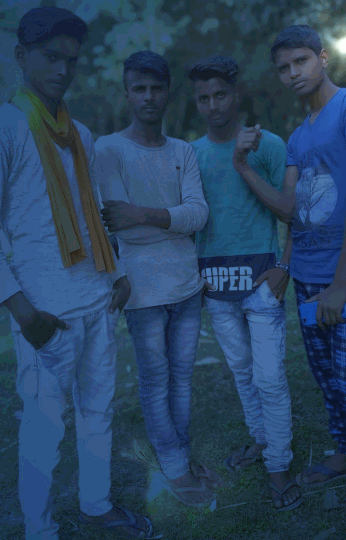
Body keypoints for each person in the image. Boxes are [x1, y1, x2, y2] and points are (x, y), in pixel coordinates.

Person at [238, 24, 346, 540]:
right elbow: (291, 209)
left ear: (323, 58)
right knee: (328, 377)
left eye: (301, 61)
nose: (293, 73)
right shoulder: (297, 137)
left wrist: (341, 283)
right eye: (284, 68)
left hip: (341, 279)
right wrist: (243, 167)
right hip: (307, 280)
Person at [0, 7, 155, 539]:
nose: (63, 70)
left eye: (71, 60)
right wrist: (23, 312)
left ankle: (96, 503)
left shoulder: (80, 134)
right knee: (44, 428)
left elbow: (94, 217)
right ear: (22, 57)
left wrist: (118, 273)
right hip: (46, 313)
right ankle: (39, 530)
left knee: (98, 411)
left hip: (96, 297)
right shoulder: (7, 127)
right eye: (50, 57)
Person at [95, 50, 221, 509]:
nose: (148, 97)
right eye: (139, 88)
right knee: (155, 379)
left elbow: (199, 214)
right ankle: (174, 466)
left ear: (168, 93)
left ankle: (179, 457)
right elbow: (115, 223)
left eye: (156, 88)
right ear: (127, 93)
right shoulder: (109, 149)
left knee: (182, 378)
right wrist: (170, 219)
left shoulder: (182, 151)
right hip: (142, 289)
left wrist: (144, 215)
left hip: (186, 285)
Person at [188, 55, 302, 512]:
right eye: (203, 98)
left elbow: (291, 211)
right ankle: (263, 439)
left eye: (221, 95)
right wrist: (193, 274)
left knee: (269, 376)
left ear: (236, 95)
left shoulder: (268, 144)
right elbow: (192, 219)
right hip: (215, 285)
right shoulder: (190, 155)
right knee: (241, 371)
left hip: (261, 282)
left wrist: (285, 266)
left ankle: (279, 464)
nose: (213, 106)